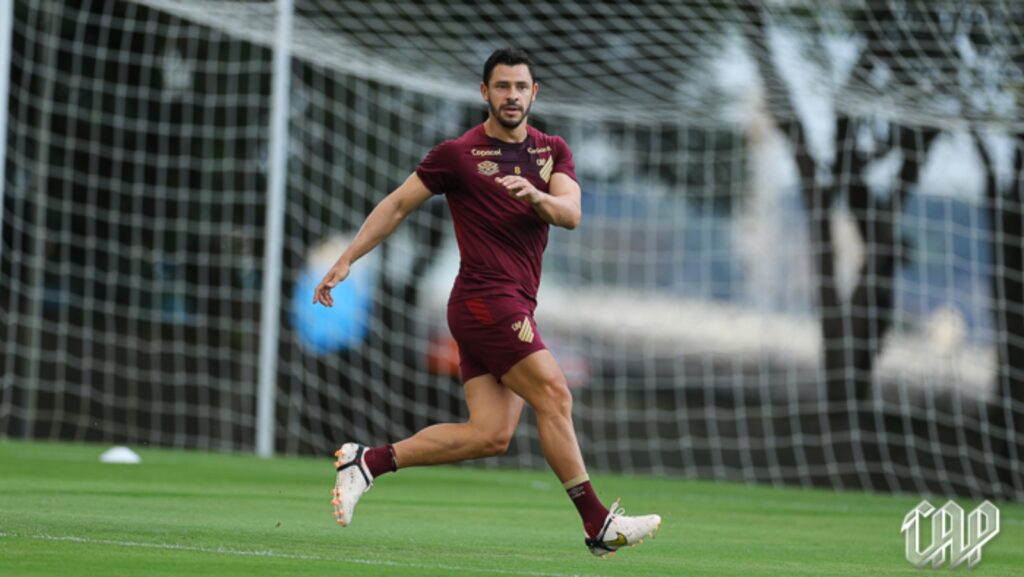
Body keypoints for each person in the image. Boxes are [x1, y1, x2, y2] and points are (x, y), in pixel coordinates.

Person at [313, 48, 661, 558]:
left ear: (534, 93)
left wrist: (536, 198)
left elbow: (570, 213)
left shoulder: (552, 151)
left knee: (490, 435)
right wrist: (347, 259)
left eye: (521, 87)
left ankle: (368, 462)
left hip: (512, 305)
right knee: (555, 395)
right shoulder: (458, 154)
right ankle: (597, 523)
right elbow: (397, 205)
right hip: (485, 302)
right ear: (485, 93)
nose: (512, 96)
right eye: (502, 87)